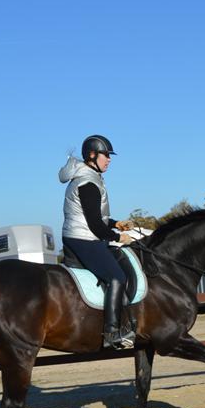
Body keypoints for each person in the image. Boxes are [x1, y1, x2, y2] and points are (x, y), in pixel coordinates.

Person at [58, 134, 135, 349]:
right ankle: (112, 332)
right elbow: (94, 225)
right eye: (106, 155)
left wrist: (116, 223)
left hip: (81, 234)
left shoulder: (90, 176)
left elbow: (95, 217)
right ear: (92, 155)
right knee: (117, 277)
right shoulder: (88, 182)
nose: (109, 159)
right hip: (83, 238)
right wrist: (118, 237)